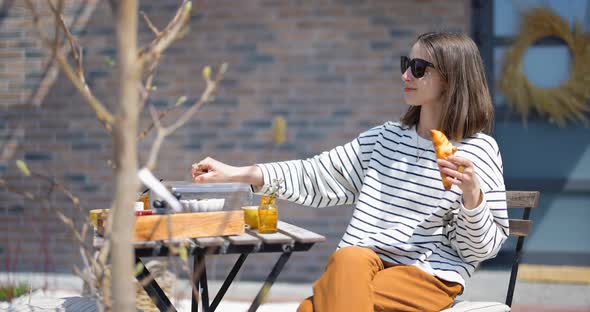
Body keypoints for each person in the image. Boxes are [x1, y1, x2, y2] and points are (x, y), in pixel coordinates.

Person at [191, 32, 508, 312]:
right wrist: (236, 174)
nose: (405, 76)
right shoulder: (386, 138)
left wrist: (472, 197)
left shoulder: (477, 152)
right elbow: (316, 174)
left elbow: (480, 249)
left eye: (419, 68)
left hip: (428, 276)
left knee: (314, 306)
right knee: (348, 258)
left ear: (451, 78)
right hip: (361, 265)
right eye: (405, 64)